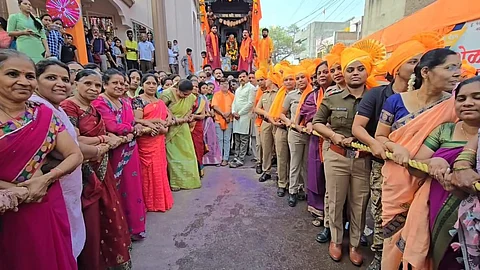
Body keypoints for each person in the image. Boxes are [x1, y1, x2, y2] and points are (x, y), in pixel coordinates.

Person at [351, 34, 441, 269]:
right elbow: (360, 128)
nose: (418, 67)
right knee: (385, 215)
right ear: (397, 67)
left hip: (425, 172)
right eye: (412, 61)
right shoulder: (381, 96)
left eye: (421, 62)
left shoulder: (443, 103)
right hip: (389, 167)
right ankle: (383, 257)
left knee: (421, 219)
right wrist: (376, 144)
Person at [374, 48, 460, 269]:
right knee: (392, 237)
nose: (457, 73)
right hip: (398, 181)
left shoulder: (454, 106)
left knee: (424, 239)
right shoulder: (395, 101)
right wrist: (396, 147)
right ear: (426, 72)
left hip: (433, 183)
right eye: (449, 67)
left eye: (458, 68)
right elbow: (380, 137)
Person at [0, 49, 83, 270]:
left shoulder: (42, 114)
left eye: (29, 76)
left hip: (47, 199)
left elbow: (75, 154)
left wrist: (46, 179)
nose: (23, 81)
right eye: (12, 74)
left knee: (55, 257)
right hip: (10, 208)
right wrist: (15, 190)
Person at [313, 40, 387, 266]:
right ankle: (336, 241)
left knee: (359, 204)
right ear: (343, 73)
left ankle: (355, 244)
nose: (355, 74)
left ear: (368, 71)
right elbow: (317, 122)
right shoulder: (332, 98)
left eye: (360, 68)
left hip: (364, 161)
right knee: (335, 201)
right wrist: (333, 136)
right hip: (337, 156)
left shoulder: (379, 98)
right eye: (350, 69)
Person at [61, 69, 132, 270]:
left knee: (106, 211)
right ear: (76, 83)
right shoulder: (69, 107)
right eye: (88, 84)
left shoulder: (92, 108)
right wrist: (103, 140)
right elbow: (72, 141)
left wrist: (106, 141)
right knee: (89, 219)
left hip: (101, 165)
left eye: (96, 85)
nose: (93, 89)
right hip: (84, 172)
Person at [408, 77, 480, 269]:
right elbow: (414, 166)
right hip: (442, 210)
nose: (468, 103)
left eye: (477, 97)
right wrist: (432, 161)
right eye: (461, 98)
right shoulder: (445, 130)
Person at [29, 59, 86, 261]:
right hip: (50, 188)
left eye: (65, 79)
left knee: (68, 239)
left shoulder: (56, 108)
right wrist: (97, 148)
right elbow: (62, 152)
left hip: (68, 183)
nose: (61, 83)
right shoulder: (37, 108)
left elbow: (73, 148)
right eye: (51, 78)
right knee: (57, 245)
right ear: (35, 81)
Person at [92, 69, 147, 240]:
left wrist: (134, 129)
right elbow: (113, 126)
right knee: (116, 190)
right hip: (114, 153)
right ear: (105, 84)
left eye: (122, 83)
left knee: (132, 187)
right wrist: (132, 130)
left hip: (130, 150)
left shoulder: (125, 102)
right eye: (115, 83)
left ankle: (134, 227)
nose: (119, 86)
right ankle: (119, 230)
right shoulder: (99, 102)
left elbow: (130, 123)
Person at [132, 74, 173, 212]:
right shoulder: (138, 101)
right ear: (142, 85)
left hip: (159, 140)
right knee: (146, 171)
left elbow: (167, 123)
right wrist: (152, 127)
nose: (151, 86)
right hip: (145, 141)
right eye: (148, 83)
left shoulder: (160, 102)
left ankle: (159, 201)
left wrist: (162, 129)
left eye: (154, 83)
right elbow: (137, 121)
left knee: (159, 169)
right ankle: (148, 202)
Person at [298, 61, 331, 224]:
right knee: (316, 175)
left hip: (335, 142)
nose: (323, 75)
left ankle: (333, 217)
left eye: (327, 71)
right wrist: (310, 122)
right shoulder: (313, 95)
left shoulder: (340, 92)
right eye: (320, 73)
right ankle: (318, 211)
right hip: (316, 140)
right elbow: (307, 113)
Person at [280, 65, 314, 207]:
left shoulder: (314, 94)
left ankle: (307, 192)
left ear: (308, 79)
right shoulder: (291, 95)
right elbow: (282, 113)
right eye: (297, 78)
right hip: (294, 133)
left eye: (302, 77)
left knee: (307, 164)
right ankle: (292, 191)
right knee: (295, 163)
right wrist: (289, 122)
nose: (300, 80)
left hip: (310, 134)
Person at [159, 79, 202, 190]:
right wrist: (173, 118)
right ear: (177, 88)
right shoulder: (167, 94)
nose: (185, 96)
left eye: (187, 94)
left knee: (188, 153)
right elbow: (160, 109)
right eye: (183, 94)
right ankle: (175, 183)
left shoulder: (191, 97)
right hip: (170, 129)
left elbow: (189, 109)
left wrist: (185, 118)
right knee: (173, 156)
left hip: (183, 128)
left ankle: (188, 180)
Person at [268, 65, 295, 197]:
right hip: (281, 129)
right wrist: (274, 121)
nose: (288, 82)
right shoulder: (279, 94)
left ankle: (293, 184)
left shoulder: (301, 93)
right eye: (286, 80)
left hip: (295, 130)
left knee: (294, 159)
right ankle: (282, 183)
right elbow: (272, 112)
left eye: (291, 79)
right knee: (281, 157)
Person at [255, 69, 282, 182]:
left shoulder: (280, 93)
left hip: (277, 124)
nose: (265, 81)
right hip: (266, 123)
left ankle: (280, 174)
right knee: (266, 147)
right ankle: (267, 171)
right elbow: (256, 108)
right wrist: (265, 113)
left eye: (267, 79)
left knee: (280, 150)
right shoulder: (264, 94)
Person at [230, 70, 256, 168]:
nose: (241, 78)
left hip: (244, 117)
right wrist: (233, 112)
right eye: (240, 77)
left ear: (247, 77)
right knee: (236, 139)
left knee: (244, 139)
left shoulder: (251, 88)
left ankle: (241, 159)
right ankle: (236, 157)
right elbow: (234, 102)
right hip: (236, 117)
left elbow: (250, 103)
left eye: (243, 77)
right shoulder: (238, 89)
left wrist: (239, 113)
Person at [212, 78, 235, 166]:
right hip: (218, 119)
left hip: (229, 120)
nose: (224, 85)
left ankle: (225, 158)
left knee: (227, 139)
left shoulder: (232, 96)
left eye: (226, 83)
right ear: (219, 85)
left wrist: (228, 114)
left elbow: (234, 106)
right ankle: (219, 158)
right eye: (222, 84)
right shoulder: (216, 95)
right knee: (219, 139)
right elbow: (215, 106)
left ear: (228, 85)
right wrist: (223, 114)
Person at [201, 82, 222, 166]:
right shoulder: (199, 98)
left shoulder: (210, 98)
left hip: (209, 121)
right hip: (202, 121)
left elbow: (212, 110)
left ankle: (213, 159)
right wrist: (207, 114)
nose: (207, 90)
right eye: (204, 88)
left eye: (208, 88)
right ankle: (204, 160)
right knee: (204, 139)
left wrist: (210, 114)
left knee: (211, 139)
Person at [190, 80, 208, 177]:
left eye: (197, 87)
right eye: (193, 86)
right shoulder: (185, 100)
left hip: (197, 126)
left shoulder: (201, 101)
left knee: (198, 148)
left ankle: (199, 169)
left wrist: (194, 116)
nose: (195, 88)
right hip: (185, 127)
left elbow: (203, 116)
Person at [252, 68, 267, 174]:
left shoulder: (271, 90)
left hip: (268, 121)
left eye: (262, 79)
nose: (260, 82)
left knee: (266, 144)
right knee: (259, 144)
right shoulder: (257, 92)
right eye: (258, 80)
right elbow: (254, 107)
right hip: (258, 121)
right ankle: (259, 162)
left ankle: (266, 164)